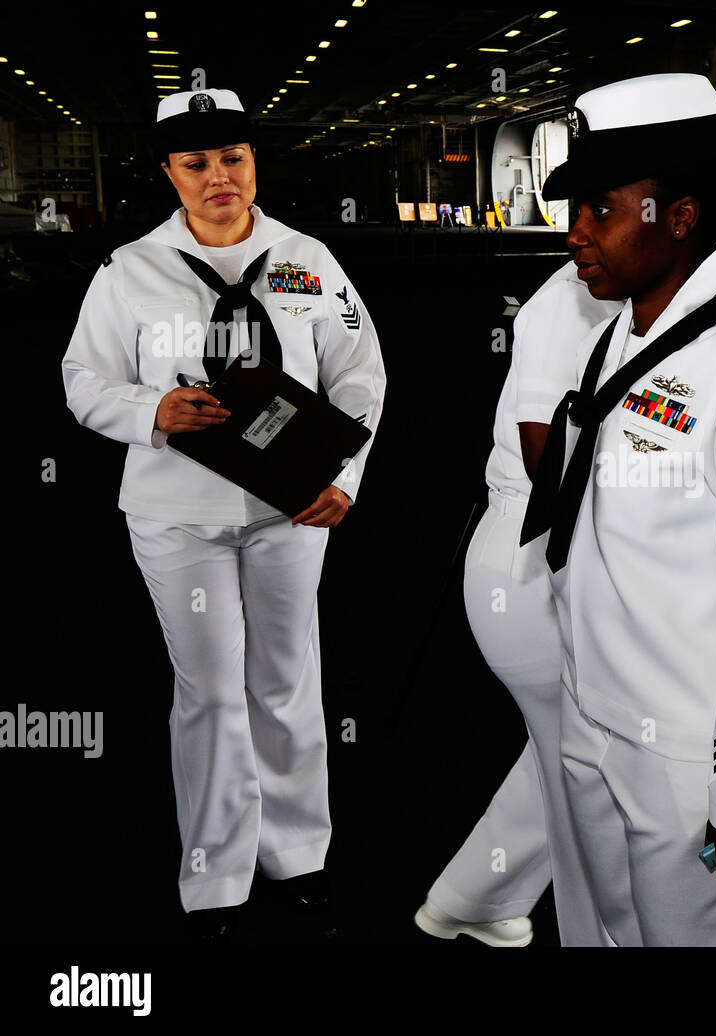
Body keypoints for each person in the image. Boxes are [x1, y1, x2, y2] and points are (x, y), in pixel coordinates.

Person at [61, 88, 386, 938]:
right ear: (169, 171)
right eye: (197, 163)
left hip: (290, 508)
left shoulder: (307, 258)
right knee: (209, 689)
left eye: (233, 158)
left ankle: (299, 854)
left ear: (253, 162)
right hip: (179, 511)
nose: (219, 178)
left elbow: (359, 372)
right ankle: (215, 877)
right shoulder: (129, 269)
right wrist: (150, 415)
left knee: (285, 678)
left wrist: (344, 474)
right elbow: (83, 378)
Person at [522, 73, 716, 946]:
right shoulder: (612, 346)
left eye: (602, 210)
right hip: (598, 717)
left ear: (682, 217)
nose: (577, 233)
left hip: (692, 757)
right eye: (576, 208)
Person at [414, 262, 619, 947]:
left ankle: (471, 897)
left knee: (566, 750)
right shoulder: (571, 299)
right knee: (598, 773)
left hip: (552, 547)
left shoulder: (632, 289)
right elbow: (549, 466)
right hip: (533, 552)